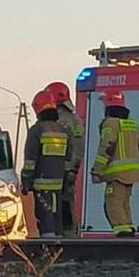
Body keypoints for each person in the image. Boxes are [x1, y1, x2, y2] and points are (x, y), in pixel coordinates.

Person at [21, 89, 72, 238]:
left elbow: (30, 159)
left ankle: (48, 249)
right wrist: (66, 179)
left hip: (41, 183)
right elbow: (68, 159)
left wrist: (26, 180)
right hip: (59, 183)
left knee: (44, 215)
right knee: (57, 215)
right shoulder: (64, 131)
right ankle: (58, 244)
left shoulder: (36, 130)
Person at [91, 91, 139, 237]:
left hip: (117, 174)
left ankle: (122, 234)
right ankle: (128, 231)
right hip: (132, 173)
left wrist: (96, 171)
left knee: (113, 204)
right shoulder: (132, 124)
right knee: (124, 204)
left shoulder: (110, 123)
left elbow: (107, 147)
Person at [48, 81, 84, 236]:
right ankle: (70, 233)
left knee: (62, 204)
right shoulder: (74, 118)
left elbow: (73, 145)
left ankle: (65, 236)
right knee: (67, 203)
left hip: (63, 168)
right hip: (72, 167)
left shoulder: (60, 120)